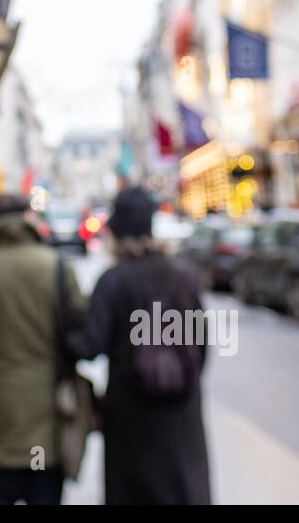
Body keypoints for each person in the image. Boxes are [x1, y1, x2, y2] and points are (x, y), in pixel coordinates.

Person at [69, 187, 211, 504]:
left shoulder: (114, 280)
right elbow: (201, 348)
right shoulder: (183, 276)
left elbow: (89, 346)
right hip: (182, 415)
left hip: (131, 416)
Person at [0, 192, 84, 505]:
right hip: (48, 412)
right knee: (44, 489)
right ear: (28, 220)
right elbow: (80, 329)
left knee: (1, 488)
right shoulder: (56, 267)